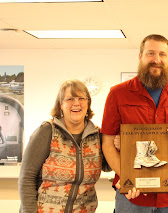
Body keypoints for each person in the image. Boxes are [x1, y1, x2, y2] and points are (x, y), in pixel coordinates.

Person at [101, 34, 168, 212]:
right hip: (132, 195)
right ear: (140, 57)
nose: (156, 60)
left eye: (162, 54)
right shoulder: (118, 94)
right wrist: (127, 177)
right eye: (150, 53)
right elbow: (107, 143)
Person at [19, 79, 106, 213]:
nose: (76, 103)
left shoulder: (97, 135)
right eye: (70, 99)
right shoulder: (47, 131)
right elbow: (26, 178)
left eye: (81, 98)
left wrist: (117, 144)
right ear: (60, 105)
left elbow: (107, 165)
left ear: (88, 103)